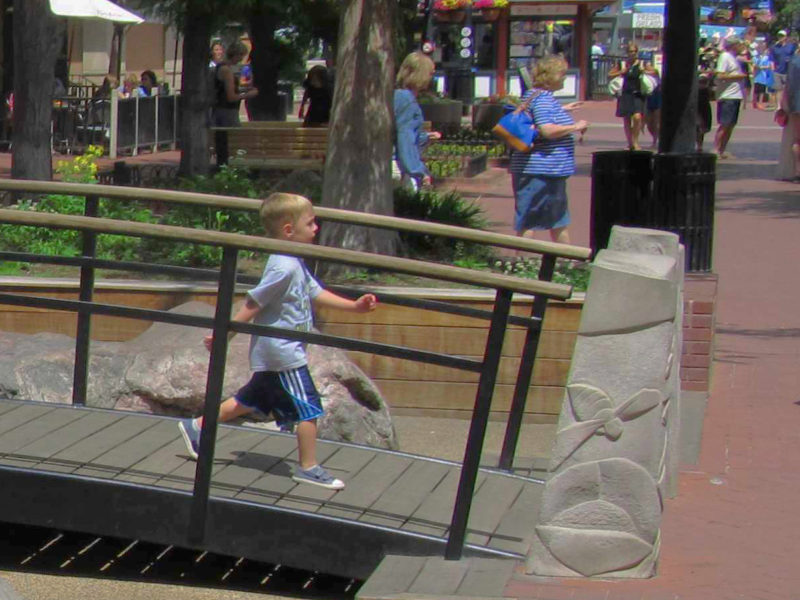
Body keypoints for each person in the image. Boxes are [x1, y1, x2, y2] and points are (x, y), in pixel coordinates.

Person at [178, 193, 378, 490]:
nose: (316, 228)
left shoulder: (293, 261)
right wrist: (227, 331)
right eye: (310, 223)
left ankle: (197, 427)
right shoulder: (282, 267)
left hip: (280, 349)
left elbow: (314, 291)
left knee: (251, 398)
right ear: (288, 230)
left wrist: (354, 306)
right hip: (283, 351)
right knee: (309, 407)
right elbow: (255, 301)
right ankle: (308, 467)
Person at [509, 54, 588, 245]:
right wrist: (576, 126)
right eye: (562, 74)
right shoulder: (544, 99)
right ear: (551, 76)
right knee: (534, 218)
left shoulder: (534, 95)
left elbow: (539, 116)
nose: (564, 78)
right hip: (541, 170)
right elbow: (546, 129)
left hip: (544, 170)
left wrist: (563, 109)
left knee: (556, 219)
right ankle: (526, 262)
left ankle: (562, 260)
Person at [393, 51, 441, 190]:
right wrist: (418, 170)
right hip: (400, 167)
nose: (431, 78)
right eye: (430, 73)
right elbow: (405, 137)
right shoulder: (406, 100)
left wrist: (425, 136)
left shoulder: (398, 96)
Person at [212, 41, 259, 167]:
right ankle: (233, 167)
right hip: (228, 111)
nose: (241, 60)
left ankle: (224, 165)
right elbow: (231, 97)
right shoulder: (227, 71)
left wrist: (243, 88)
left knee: (223, 141)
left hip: (220, 110)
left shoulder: (220, 67)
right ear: (236, 54)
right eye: (241, 56)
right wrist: (248, 95)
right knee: (237, 140)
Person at [608, 42, 655, 150]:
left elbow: (654, 71)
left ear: (637, 52)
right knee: (627, 119)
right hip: (625, 93)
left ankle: (635, 141)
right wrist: (621, 72)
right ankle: (630, 142)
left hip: (638, 94)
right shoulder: (623, 64)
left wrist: (645, 70)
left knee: (637, 117)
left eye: (634, 51)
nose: (632, 54)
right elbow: (610, 74)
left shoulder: (642, 63)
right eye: (630, 51)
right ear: (627, 52)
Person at [714, 36, 746, 159]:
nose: (741, 47)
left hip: (735, 95)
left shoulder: (735, 58)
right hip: (727, 95)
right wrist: (737, 77)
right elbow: (720, 75)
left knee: (731, 124)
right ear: (733, 45)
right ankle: (716, 149)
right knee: (724, 124)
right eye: (739, 44)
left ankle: (722, 150)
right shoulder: (725, 56)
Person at [778, 45, 800, 181]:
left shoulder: (794, 61)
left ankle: (798, 171)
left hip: (796, 104)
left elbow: (789, 86)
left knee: (798, 139)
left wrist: (786, 105)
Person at [643, 65, 662, 149]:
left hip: (657, 99)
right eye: (647, 67)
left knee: (656, 122)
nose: (648, 68)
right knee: (649, 124)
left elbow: (655, 71)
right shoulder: (644, 77)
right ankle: (656, 137)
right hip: (648, 99)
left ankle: (655, 141)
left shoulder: (655, 75)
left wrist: (644, 71)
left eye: (650, 66)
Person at [752, 40, 774, 109]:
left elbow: (769, 66)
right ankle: (754, 103)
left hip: (763, 76)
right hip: (756, 76)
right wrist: (757, 67)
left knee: (762, 91)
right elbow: (754, 65)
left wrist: (763, 67)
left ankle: (760, 103)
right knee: (756, 91)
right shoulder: (755, 57)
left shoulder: (766, 58)